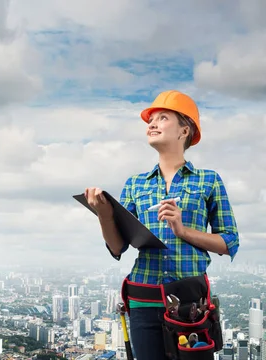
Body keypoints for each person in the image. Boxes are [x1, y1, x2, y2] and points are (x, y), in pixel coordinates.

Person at [84, 90, 239, 360]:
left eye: (162, 118)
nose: (151, 124)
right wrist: (104, 214)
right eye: (150, 120)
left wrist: (182, 230)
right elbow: (118, 246)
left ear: (184, 130)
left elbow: (229, 243)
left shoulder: (208, 180)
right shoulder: (135, 183)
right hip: (143, 296)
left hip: (190, 302)